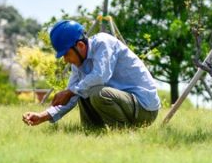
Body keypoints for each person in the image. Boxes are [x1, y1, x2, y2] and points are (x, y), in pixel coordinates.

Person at [23, 20, 160, 129]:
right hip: (126, 105)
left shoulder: (103, 43)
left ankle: (123, 131)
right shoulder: (78, 63)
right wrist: (42, 116)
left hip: (144, 108)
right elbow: (70, 97)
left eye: (66, 54)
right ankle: (93, 131)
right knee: (81, 91)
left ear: (81, 46)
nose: (65, 60)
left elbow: (101, 76)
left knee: (95, 92)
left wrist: (70, 92)